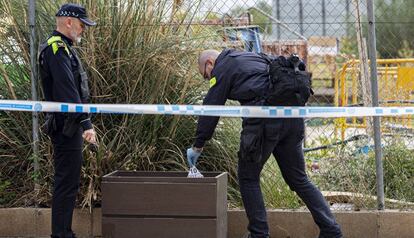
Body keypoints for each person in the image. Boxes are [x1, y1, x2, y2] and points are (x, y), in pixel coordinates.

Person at [186, 49, 343, 238]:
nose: (208, 78)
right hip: (292, 117)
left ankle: (258, 234)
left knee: (248, 177)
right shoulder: (251, 55)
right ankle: (332, 231)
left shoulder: (223, 67)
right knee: (299, 178)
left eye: (206, 75)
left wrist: (198, 145)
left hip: (263, 122)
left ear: (210, 63)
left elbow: (211, 107)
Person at [38, 3, 97, 238]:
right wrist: (86, 124)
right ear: (69, 21)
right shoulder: (56, 48)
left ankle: (63, 232)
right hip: (66, 126)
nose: (83, 29)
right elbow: (67, 90)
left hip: (68, 125)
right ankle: (61, 235)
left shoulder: (64, 47)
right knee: (66, 183)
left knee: (68, 181)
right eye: (82, 25)